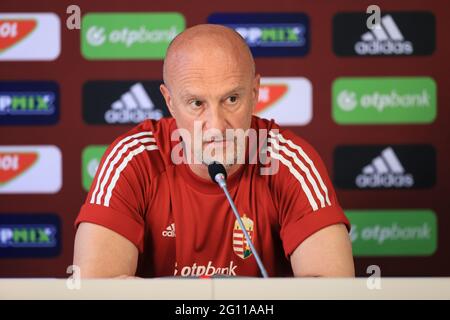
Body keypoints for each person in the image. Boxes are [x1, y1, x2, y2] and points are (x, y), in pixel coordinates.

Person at [73, 24, 354, 278]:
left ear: (255, 93)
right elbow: (95, 291)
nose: (217, 127)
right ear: (170, 102)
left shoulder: (289, 160)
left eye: (232, 99)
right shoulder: (134, 159)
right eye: (196, 103)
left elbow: (332, 291)